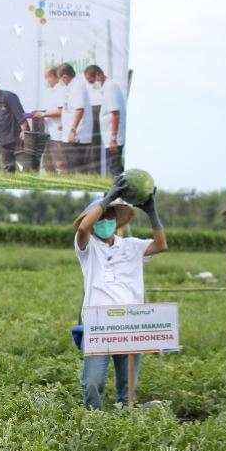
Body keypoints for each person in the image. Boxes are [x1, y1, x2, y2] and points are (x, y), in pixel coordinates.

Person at [73, 175, 167, 409]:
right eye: (100, 217)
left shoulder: (132, 246)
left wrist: (152, 211)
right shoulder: (87, 247)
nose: (105, 221)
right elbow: (83, 227)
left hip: (129, 322)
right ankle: (93, 421)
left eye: (110, 217)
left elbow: (161, 244)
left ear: (117, 221)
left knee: (128, 388)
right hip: (99, 324)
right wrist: (107, 200)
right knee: (93, 382)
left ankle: (126, 421)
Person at [38, 64, 92, 174]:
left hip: (78, 135)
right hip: (69, 134)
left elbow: (79, 109)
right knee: (67, 165)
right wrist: (65, 124)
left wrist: (72, 130)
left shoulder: (77, 86)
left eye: (60, 78)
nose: (60, 81)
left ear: (65, 77)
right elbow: (68, 111)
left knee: (72, 168)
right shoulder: (71, 87)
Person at [85, 64, 128, 176]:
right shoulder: (106, 88)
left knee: (115, 170)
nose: (91, 84)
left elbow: (115, 114)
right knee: (114, 168)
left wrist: (113, 139)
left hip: (113, 139)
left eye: (91, 81)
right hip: (110, 139)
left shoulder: (110, 88)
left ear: (98, 75)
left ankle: (119, 192)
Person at [36, 66, 68, 174]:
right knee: (45, 166)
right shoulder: (52, 91)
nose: (46, 80)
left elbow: (61, 111)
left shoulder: (61, 90)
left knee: (60, 165)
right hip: (49, 133)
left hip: (58, 135)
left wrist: (43, 114)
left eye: (47, 77)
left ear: (53, 76)